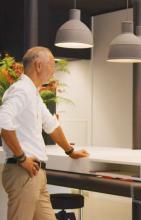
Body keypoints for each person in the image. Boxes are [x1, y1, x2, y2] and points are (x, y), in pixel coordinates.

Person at [0, 46, 89, 220]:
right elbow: (2, 121)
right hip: (23, 172)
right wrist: (22, 158)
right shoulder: (21, 90)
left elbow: (51, 125)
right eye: (51, 64)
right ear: (38, 65)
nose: (54, 70)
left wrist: (70, 151)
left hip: (36, 175)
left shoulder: (33, 93)